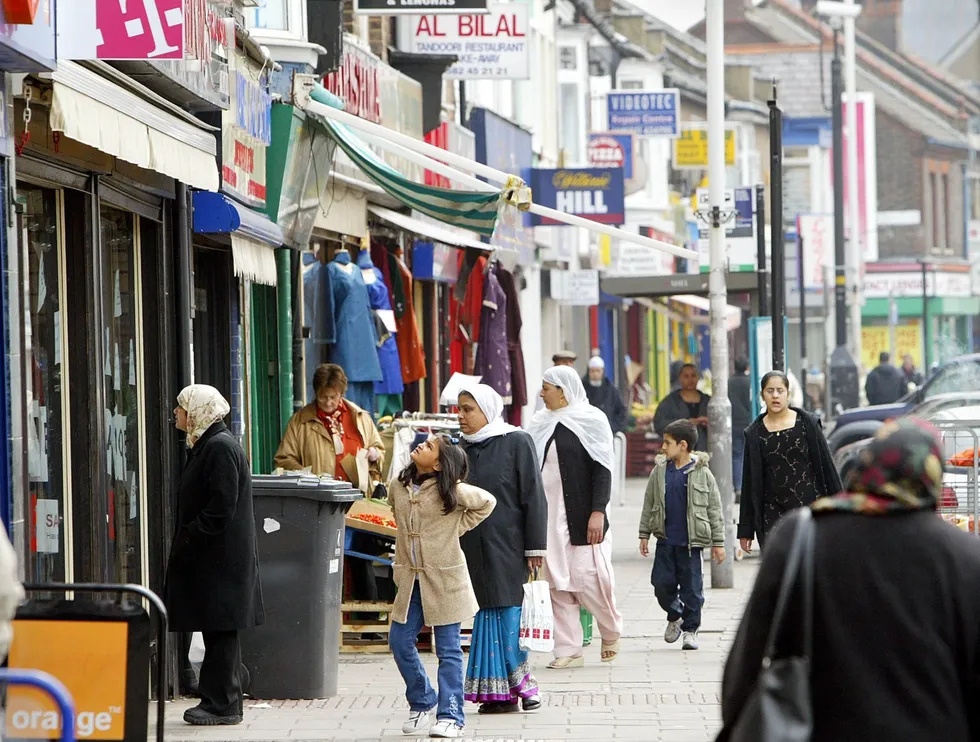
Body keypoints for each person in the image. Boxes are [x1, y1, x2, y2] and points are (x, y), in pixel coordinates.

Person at [719, 419, 980, 742]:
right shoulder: (966, 557)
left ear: (865, 465)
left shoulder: (802, 537)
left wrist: (733, 722)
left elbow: (747, 654)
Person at [165, 385, 264, 727]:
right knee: (215, 630)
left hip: (220, 561)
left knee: (220, 631)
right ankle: (218, 697)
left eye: (180, 408)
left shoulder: (219, 447)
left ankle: (222, 704)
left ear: (196, 412)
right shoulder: (207, 444)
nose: (175, 414)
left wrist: (190, 535)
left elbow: (221, 507)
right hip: (216, 561)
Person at [388, 435, 496, 739]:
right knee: (399, 641)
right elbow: (396, 515)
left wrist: (455, 529)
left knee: (449, 650)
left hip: (446, 581)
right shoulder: (399, 485)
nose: (422, 444)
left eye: (430, 446)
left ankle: (451, 716)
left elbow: (487, 502)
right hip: (411, 581)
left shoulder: (452, 490)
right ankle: (422, 699)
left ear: (437, 463)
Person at [456, 385, 547, 714]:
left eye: (468, 409)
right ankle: (498, 696)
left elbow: (534, 496)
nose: (461, 416)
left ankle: (525, 686)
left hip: (511, 544)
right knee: (486, 613)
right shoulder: (460, 448)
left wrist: (536, 546)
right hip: (473, 546)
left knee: (509, 612)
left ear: (486, 409)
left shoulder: (517, 441)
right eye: (459, 409)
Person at [527, 366, 623, 669]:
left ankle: (611, 628)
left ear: (563, 391)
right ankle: (568, 649)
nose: (542, 393)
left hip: (583, 515)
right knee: (556, 580)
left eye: (547, 387)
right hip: (549, 514)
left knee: (588, 578)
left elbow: (603, 469)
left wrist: (598, 511)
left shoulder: (591, 420)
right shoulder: (539, 423)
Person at [274, 363, 386, 616]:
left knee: (361, 559)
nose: (327, 402)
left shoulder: (359, 417)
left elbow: (379, 449)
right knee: (322, 560)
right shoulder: (301, 422)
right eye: (323, 396)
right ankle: (321, 619)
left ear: (341, 393)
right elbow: (283, 459)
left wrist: (373, 454)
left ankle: (367, 623)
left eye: (333, 397)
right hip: (320, 501)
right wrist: (312, 474)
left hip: (358, 500)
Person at [639, 420, 725, 651]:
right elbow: (649, 503)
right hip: (665, 542)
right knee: (660, 584)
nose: (663, 447)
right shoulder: (660, 472)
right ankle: (675, 614)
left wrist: (718, 542)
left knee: (692, 591)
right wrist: (644, 534)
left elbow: (714, 509)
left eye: (667, 443)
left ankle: (690, 629)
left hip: (691, 545)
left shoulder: (702, 474)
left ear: (683, 445)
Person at [737, 371, 842, 553]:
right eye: (770, 391)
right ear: (762, 395)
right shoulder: (754, 433)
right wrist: (746, 530)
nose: (775, 395)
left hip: (809, 509)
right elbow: (749, 482)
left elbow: (828, 468)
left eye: (780, 390)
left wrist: (842, 511)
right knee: (779, 569)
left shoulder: (807, 423)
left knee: (809, 565)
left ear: (788, 393)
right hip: (771, 513)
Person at [653, 363, 710, 451]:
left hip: (705, 450)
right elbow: (659, 423)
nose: (690, 379)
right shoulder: (670, 402)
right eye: (686, 376)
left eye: (693, 375)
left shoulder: (708, 402)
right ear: (680, 378)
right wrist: (684, 424)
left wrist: (710, 423)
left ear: (698, 377)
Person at [583, 356, 628, 434]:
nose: (595, 374)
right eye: (592, 371)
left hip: (607, 432)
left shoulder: (611, 390)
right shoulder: (582, 389)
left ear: (603, 371)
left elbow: (621, 411)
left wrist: (613, 428)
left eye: (598, 371)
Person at [727, 358, 752, 493]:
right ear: (747, 366)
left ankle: (738, 487)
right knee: (749, 454)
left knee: (737, 455)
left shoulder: (729, 382)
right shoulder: (750, 382)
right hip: (748, 421)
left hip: (734, 422)